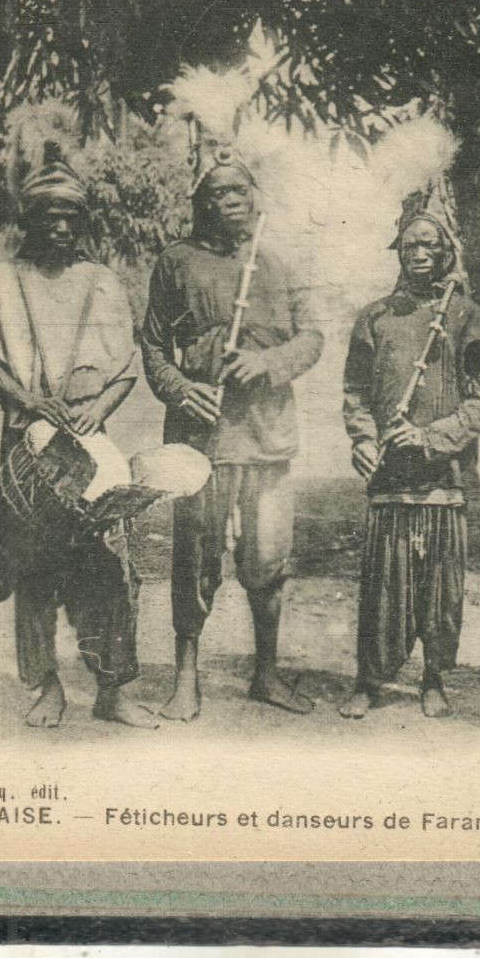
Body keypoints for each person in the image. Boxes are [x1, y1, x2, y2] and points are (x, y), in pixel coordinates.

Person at [140, 149, 324, 722]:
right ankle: (186, 678)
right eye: (215, 194)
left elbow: (313, 337)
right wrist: (178, 388)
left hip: (266, 435)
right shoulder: (176, 262)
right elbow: (151, 345)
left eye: (237, 192)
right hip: (202, 438)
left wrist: (268, 364)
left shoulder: (282, 262)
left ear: (254, 199)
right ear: (201, 205)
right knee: (194, 557)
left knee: (268, 558)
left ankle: (266, 675)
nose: (227, 203)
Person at [0, 144, 154, 729]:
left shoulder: (103, 282)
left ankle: (112, 687)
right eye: (46, 215)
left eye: (69, 216)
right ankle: (45, 686)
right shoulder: (4, 278)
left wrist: (96, 410)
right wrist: (30, 403)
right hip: (27, 441)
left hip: (87, 440)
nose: (58, 226)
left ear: (83, 222)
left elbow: (126, 368)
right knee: (33, 569)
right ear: (28, 220)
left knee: (107, 566)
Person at [339, 188, 480, 719]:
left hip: (443, 476)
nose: (420, 254)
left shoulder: (468, 317)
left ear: (447, 251)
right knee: (383, 583)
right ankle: (369, 679)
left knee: (439, 587)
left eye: (430, 245)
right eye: (411, 246)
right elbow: (356, 391)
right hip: (389, 476)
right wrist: (363, 437)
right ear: (399, 252)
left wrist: (432, 437)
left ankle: (433, 678)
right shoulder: (375, 317)